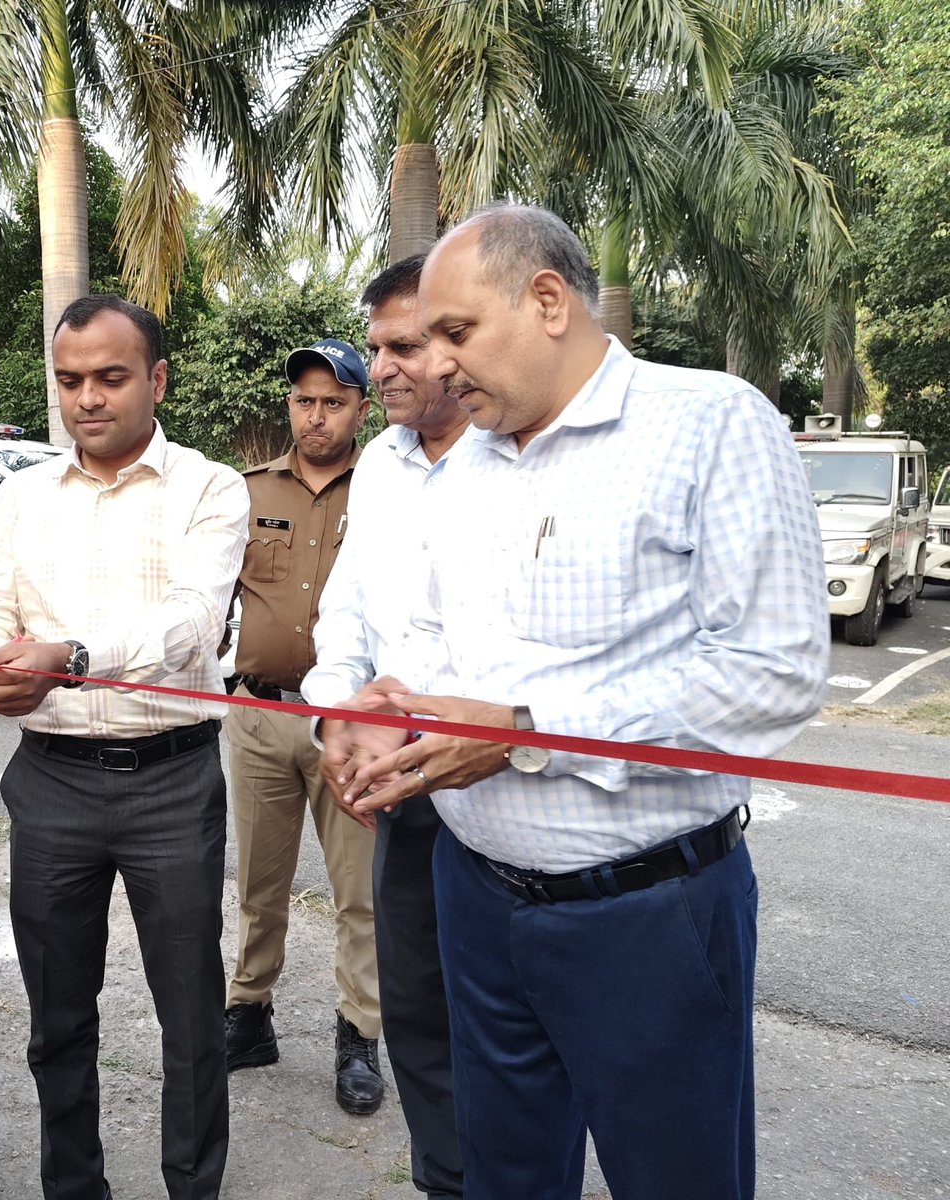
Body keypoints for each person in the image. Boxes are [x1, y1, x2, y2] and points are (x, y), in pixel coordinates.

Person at [332, 205, 828, 1200]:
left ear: (548, 300)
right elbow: (428, 640)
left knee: (675, 1179)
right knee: (503, 1178)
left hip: (646, 913)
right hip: (475, 895)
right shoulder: (465, 465)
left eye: (457, 335)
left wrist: (525, 730)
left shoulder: (709, 424)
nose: (438, 366)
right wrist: (379, 705)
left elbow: (769, 674)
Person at [0, 294, 248, 1200]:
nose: (87, 398)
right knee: (56, 1014)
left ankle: (193, 1186)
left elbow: (195, 620)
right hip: (49, 780)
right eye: (70, 380)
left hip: (172, 780)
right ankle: (72, 1186)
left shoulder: (210, 487)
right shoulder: (22, 493)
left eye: (111, 377)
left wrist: (73, 657)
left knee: (192, 1017)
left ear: (156, 380)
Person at [303, 254, 468, 1199]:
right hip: (404, 795)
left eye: (407, 345)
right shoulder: (385, 465)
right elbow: (349, 609)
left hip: (500, 786)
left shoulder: (511, 456)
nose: (387, 368)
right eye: (379, 349)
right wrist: (340, 711)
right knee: (418, 1020)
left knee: (513, 1040)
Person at [222, 337, 387, 1116]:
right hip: (258, 716)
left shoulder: (391, 493)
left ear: (362, 407)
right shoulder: (246, 491)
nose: (315, 416)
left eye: (333, 401)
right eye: (303, 401)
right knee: (259, 884)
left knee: (361, 894)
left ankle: (360, 1036)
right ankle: (249, 1014)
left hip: (351, 729)